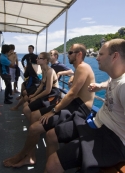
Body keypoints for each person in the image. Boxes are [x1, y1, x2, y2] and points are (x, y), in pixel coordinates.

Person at [3, 43, 95, 168]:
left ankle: (24, 155)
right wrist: (72, 77)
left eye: (70, 52)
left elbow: (72, 94)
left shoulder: (83, 67)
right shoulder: (80, 70)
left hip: (78, 109)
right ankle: (36, 159)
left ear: (79, 54)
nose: (67, 55)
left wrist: (54, 110)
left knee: (35, 128)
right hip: (72, 105)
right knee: (38, 122)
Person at [45, 39, 125, 173]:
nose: (97, 58)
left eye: (101, 54)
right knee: (51, 135)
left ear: (115, 56)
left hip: (112, 138)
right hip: (96, 124)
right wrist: (100, 85)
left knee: (53, 164)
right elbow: (111, 82)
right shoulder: (115, 76)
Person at [22, 52, 60, 122]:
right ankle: (33, 123)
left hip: (52, 94)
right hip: (45, 91)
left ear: (45, 60)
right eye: (37, 58)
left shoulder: (50, 71)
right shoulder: (43, 69)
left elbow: (48, 90)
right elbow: (42, 84)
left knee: (26, 109)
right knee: (25, 105)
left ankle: (34, 125)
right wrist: (34, 95)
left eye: (39, 58)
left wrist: (35, 97)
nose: (37, 59)